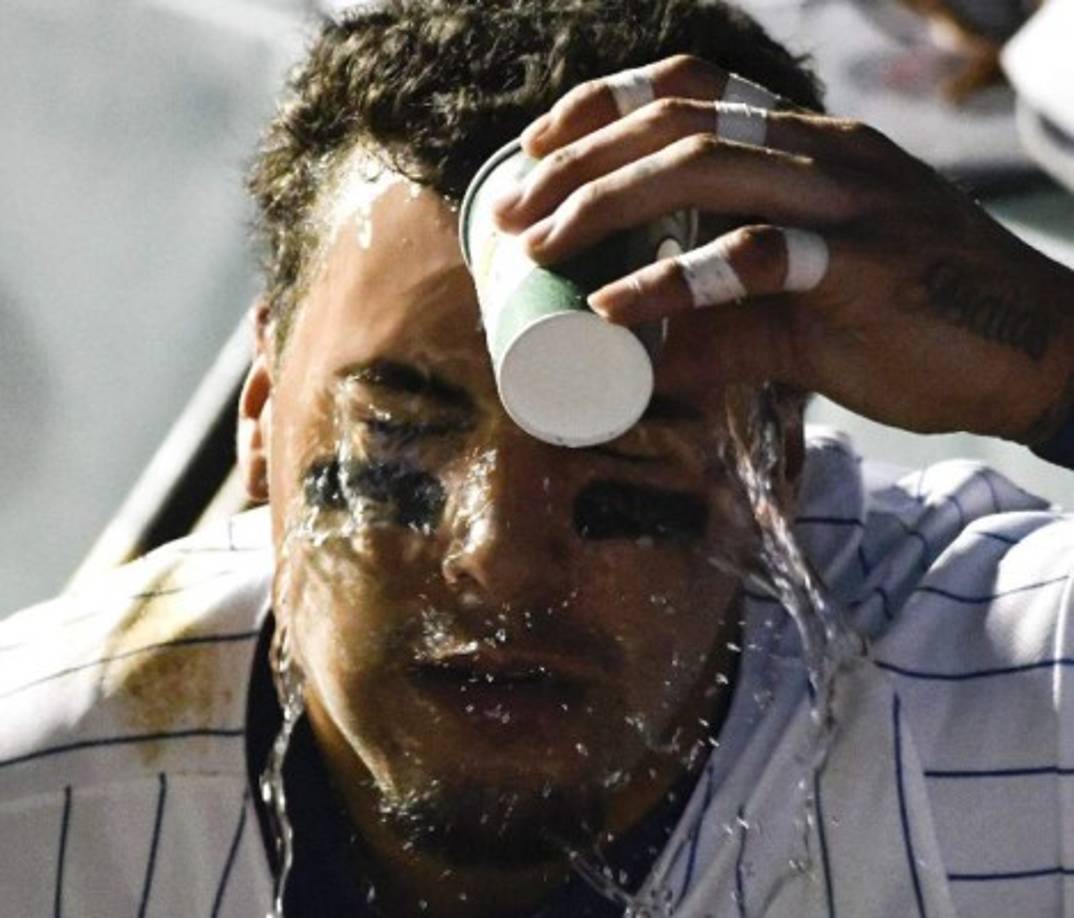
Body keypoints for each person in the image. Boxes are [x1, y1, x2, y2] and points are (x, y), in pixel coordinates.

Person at [1, 1, 1073, 916]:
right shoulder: (35, 797)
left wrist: (1052, 357)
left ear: (777, 465)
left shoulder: (997, 711)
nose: (505, 562)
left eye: (629, 451)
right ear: (262, 411)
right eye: (400, 433)